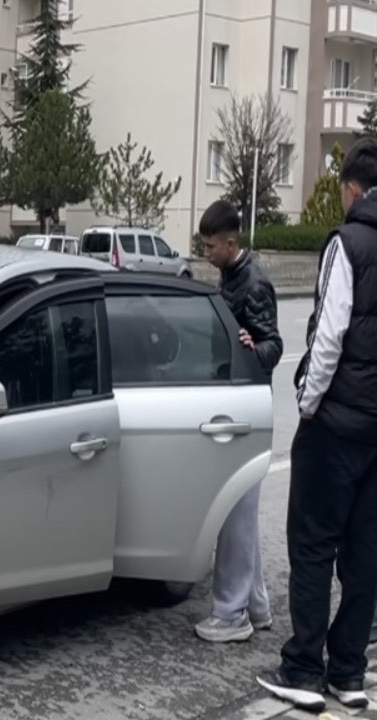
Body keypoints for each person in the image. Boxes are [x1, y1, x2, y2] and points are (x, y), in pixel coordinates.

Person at [257, 138, 377, 713]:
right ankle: (349, 672)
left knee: (311, 545)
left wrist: (307, 404)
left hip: (335, 425)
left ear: (350, 190)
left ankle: (303, 669)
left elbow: (329, 336)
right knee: (366, 551)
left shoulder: (345, 245)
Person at [192, 200, 281, 643]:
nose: (205, 254)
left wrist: (251, 347)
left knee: (235, 514)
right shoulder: (230, 276)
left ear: (231, 243)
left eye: (210, 247)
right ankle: (256, 606)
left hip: (246, 407)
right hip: (236, 401)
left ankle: (232, 612)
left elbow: (273, 348)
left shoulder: (254, 284)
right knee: (239, 510)